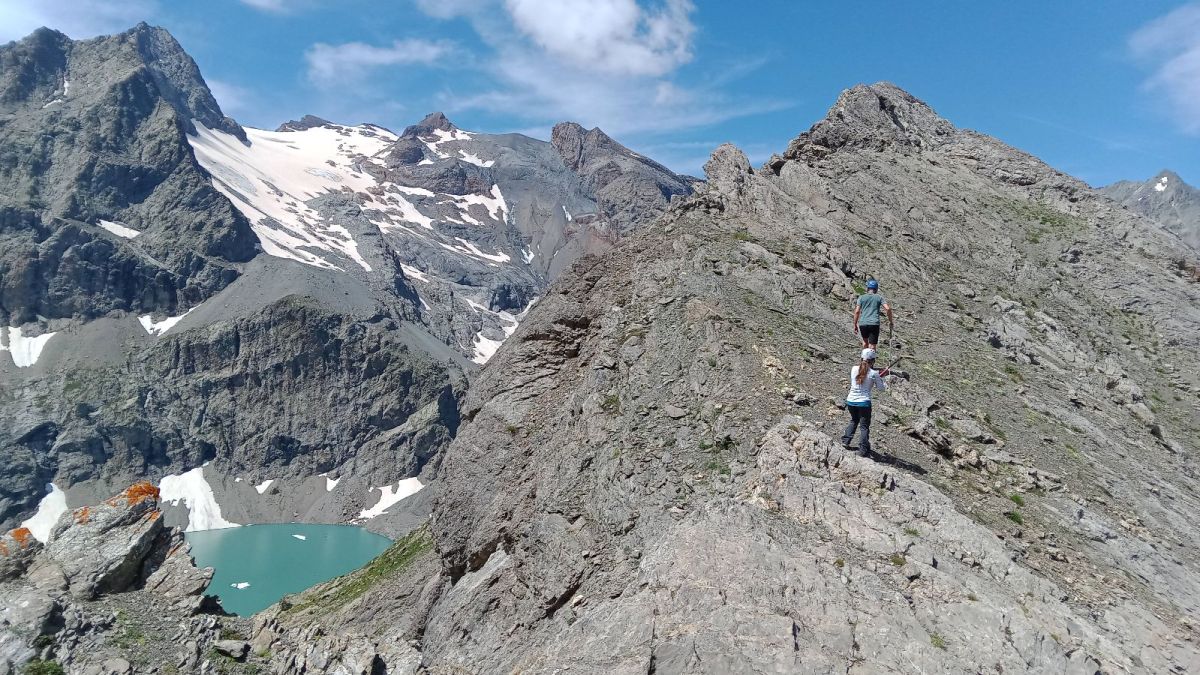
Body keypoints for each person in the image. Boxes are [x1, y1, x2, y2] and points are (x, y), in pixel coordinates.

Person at [842, 348, 890, 454]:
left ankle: (846, 440)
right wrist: (882, 379)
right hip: (864, 403)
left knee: (854, 420)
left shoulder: (854, 369)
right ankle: (863, 449)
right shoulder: (874, 373)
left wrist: (877, 375)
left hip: (850, 401)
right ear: (873, 361)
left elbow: (863, 376)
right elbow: (881, 389)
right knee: (864, 426)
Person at [853, 279, 894, 349]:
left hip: (863, 323)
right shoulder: (879, 297)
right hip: (874, 323)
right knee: (872, 345)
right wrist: (890, 321)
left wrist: (855, 325)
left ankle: (864, 358)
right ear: (876, 289)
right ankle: (871, 359)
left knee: (865, 342)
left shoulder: (861, 297)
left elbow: (857, 311)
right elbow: (887, 309)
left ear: (867, 288)